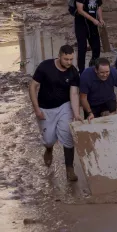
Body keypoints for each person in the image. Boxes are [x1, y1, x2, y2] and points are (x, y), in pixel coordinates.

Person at [28, 45, 82, 181]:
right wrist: (36, 109)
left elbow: (74, 93)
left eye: (71, 59)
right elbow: (32, 86)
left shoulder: (73, 72)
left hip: (64, 106)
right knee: (49, 139)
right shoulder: (45, 67)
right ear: (59, 56)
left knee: (68, 135)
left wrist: (76, 114)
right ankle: (49, 148)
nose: (69, 62)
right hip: (45, 108)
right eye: (66, 59)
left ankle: (69, 168)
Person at [74, 0, 105, 74]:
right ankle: (81, 71)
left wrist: (100, 18)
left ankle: (93, 68)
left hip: (93, 24)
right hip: (81, 23)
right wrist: (93, 20)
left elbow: (99, 6)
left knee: (96, 47)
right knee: (82, 48)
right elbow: (80, 10)